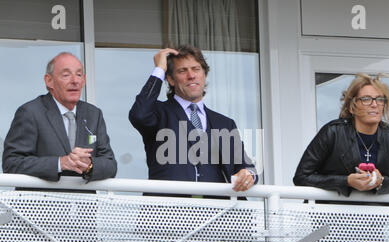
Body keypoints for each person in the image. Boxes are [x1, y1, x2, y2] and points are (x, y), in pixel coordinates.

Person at [129, 45, 257, 194]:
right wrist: (159, 70)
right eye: (182, 71)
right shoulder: (159, 113)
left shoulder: (225, 123)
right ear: (170, 79)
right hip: (167, 212)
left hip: (218, 212)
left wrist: (248, 175)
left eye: (196, 69)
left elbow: (244, 166)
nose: (191, 75)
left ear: (204, 75)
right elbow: (139, 114)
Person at [3, 52, 117, 183]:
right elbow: (11, 163)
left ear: (84, 80)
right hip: (42, 202)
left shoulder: (93, 114)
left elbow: (110, 165)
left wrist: (89, 165)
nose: (75, 81)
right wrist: (60, 163)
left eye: (79, 75)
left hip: (84, 202)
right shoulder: (30, 112)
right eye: (66, 75)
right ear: (49, 80)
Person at [293, 73, 389, 197]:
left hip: (376, 214)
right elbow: (301, 177)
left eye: (380, 99)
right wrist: (346, 181)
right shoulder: (333, 132)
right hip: (331, 213)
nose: (374, 104)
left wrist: (381, 181)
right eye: (366, 99)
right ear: (352, 107)